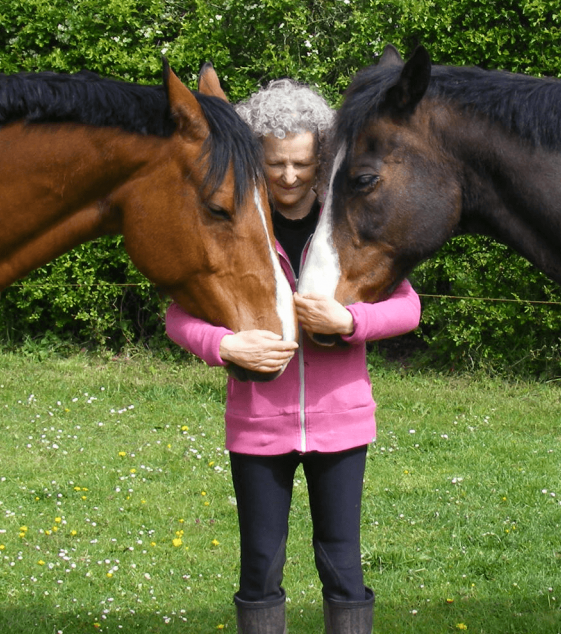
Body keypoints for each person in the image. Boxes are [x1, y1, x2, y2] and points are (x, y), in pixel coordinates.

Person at [165, 79, 421, 634]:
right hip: (257, 426)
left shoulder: (350, 224)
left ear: (321, 158)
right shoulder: (233, 223)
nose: (287, 176)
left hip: (341, 425)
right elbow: (178, 316)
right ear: (255, 155)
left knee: (343, 565)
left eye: (302, 163)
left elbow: (409, 307)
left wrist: (350, 323)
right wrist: (223, 345)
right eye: (275, 162)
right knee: (260, 567)